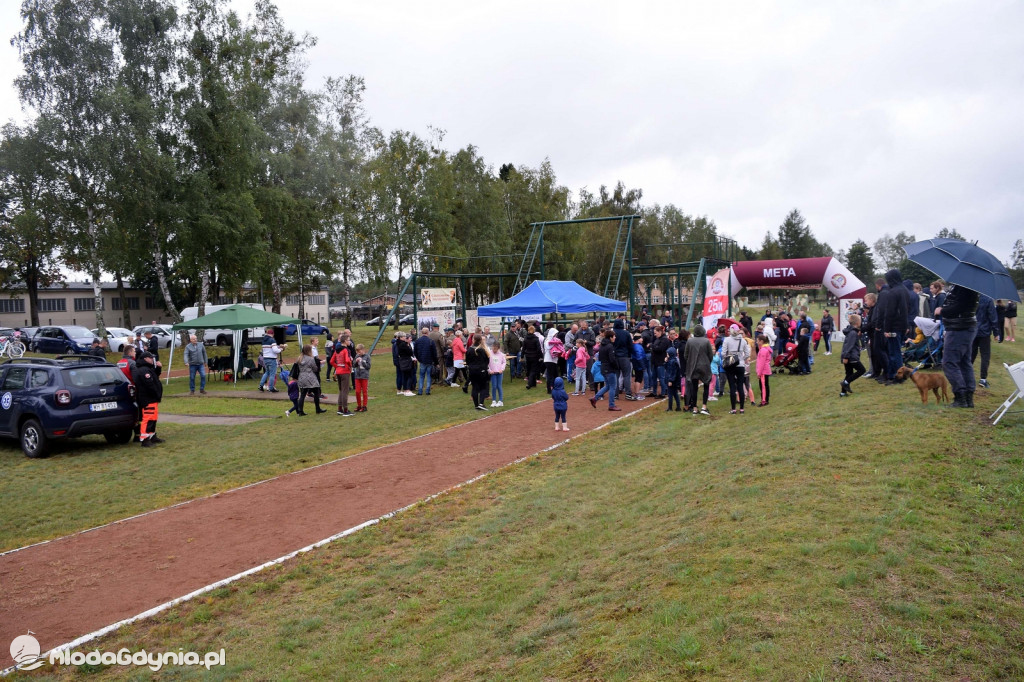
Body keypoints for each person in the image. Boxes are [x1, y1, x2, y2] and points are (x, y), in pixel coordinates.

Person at [939, 284, 980, 408]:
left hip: (959, 328)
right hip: (965, 327)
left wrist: (942, 310)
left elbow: (959, 307)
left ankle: (961, 396)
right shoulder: (969, 286)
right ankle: (968, 397)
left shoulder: (965, 287)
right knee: (964, 362)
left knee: (949, 362)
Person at [133, 351, 163, 447]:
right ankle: (145, 439)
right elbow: (150, 385)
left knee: (153, 418)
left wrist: (158, 368)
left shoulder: (147, 369)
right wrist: (156, 393)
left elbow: (155, 377)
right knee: (148, 418)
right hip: (148, 399)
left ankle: (152, 435)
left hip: (152, 399)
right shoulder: (143, 370)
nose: (152, 359)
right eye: (151, 358)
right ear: (146, 359)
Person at [684, 324, 714, 415]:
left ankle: (694, 408)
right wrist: (707, 362)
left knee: (694, 387)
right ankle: (704, 406)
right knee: (706, 385)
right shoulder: (706, 341)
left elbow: (686, 355)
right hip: (705, 366)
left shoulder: (689, 341)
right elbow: (710, 355)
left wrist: (691, 361)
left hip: (693, 367)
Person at [721, 324, 750, 414]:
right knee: (740, 386)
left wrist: (728, 357)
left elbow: (723, 353)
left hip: (731, 365)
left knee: (732, 387)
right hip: (740, 365)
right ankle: (742, 409)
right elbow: (747, 353)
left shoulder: (727, 340)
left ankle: (733, 409)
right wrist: (742, 359)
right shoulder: (743, 341)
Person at [590, 330, 620, 411]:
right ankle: (611, 405)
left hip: (603, 367)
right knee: (613, 386)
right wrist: (616, 367)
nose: (615, 338)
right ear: (610, 337)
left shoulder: (602, 345)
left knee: (607, 386)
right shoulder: (610, 346)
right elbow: (612, 359)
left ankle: (595, 398)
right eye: (614, 336)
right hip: (609, 368)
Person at [972, 294, 998, 389]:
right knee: (985, 355)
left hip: (973, 329)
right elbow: (993, 316)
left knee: (971, 353)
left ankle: (966, 374)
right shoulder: (988, 299)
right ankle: (983, 379)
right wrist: (996, 332)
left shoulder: (972, 297)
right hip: (984, 331)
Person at [840, 313, 867, 396]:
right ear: (857, 323)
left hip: (848, 356)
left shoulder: (851, 331)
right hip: (851, 357)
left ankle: (843, 393)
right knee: (862, 370)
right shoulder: (853, 333)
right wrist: (846, 356)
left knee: (849, 373)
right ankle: (846, 382)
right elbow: (849, 345)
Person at [295, 344, 326, 416]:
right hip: (310, 377)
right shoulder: (311, 359)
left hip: (302, 377)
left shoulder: (299, 358)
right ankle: (317, 409)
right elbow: (315, 368)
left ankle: (300, 411)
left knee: (302, 395)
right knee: (316, 392)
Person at [466, 333, 491, 410]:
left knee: (475, 388)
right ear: (480, 340)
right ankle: (481, 403)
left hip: (472, 371)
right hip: (481, 371)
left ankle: (476, 405)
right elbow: (487, 360)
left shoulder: (469, 350)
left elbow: (467, 361)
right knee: (483, 387)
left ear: (473, 340)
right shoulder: (482, 350)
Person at [331, 334, 353, 416]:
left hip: (339, 371)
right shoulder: (346, 350)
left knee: (341, 390)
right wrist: (350, 365)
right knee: (345, 390)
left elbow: (331, 361)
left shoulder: (337, 350)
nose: (349, 341)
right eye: (348, 340)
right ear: (345, 341)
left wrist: (337, 367)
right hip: (345, 371)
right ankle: (345, 409)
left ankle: (340, 408)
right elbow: (347, 360)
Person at [258, 328, 285, 393]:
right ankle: (271, 388)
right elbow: (275, 350)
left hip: (265, 358)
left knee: (266, 372)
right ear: (272, 334)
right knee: (272, 374)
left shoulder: (264, 340)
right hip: (272, 359)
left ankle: (261, 386)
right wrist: (281, 349)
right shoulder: (272, 340)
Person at [414, 327, 438, 396]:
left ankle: (420, 390)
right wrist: (436, 362)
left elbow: (415, 351)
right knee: (428, 376)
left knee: (421, 376)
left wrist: (419, 358)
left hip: (422, 360)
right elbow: (434, 353)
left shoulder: (418, 341)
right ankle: (427, 390)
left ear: (422, 333)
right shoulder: (431, 341)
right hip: (429, 360)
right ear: (428, 332)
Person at [522, 325, 543, 389]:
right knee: (533, 370)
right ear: (534, 331)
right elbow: (539, 349)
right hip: (534, 356)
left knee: (529, 369)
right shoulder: (536, 338)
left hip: (528, 355)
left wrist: (522, 355)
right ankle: (529, 383)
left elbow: (523, 348)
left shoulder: (526, 338)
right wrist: (541, 356)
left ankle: (533, 384)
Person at [543, 327, 562, 394]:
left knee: (555, 374)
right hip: (548, 360)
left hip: (553, 360)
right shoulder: (547, 340)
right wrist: (555, 342)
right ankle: (549, 389)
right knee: (550, 375)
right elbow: (548, 347)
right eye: (555, 334)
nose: (556, 335)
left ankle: (555, 387)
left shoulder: (554, 340)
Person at [352, 344, 371, 412]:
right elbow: (353, 365)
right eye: (357, 352)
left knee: (364, 391)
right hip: (357, 376)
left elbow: (368, 367)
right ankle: (359, 405)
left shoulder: (367, 356)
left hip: (364, 376)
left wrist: (362, 361)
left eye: (359, 352)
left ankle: (364, 406)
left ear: (363, 350)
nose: (358, 353)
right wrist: (356, 362)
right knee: (357, 391)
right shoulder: (357, 356)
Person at [755, 334, 772, 406]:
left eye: (757, 341)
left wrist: (759, 373)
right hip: (765, 370)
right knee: (765, 385)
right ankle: (765, 399)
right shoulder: (765, 349)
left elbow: (761, 363)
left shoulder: (763, 351)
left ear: (761, 341)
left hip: (763, 371)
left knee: (763, 386)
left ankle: (764, 400)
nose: (757, 342)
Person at [488, 340, 506, 407]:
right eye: (493, 348)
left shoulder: (501, 355)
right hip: (493, 373)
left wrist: (502, 369)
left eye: (495, 349)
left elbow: (504, 362)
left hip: (499, 373)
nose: (494, 350)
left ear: (498, 348)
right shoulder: (489, 353)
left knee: (499, 386)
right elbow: (487, 363)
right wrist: (489, 370)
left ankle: (500, 401)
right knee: (494, 386)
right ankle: (494, 400)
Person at [664, 346, 682, 412]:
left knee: (670, 394)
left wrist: (670, 380)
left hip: (671, 380)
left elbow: (673, 372)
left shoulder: (673, 362)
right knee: (675, 394)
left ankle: (670, 407)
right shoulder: (671, 361)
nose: (667, 355)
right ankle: (678, 407)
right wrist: (665, 362)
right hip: (673, 380)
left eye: (667, 354)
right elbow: (666, 368)